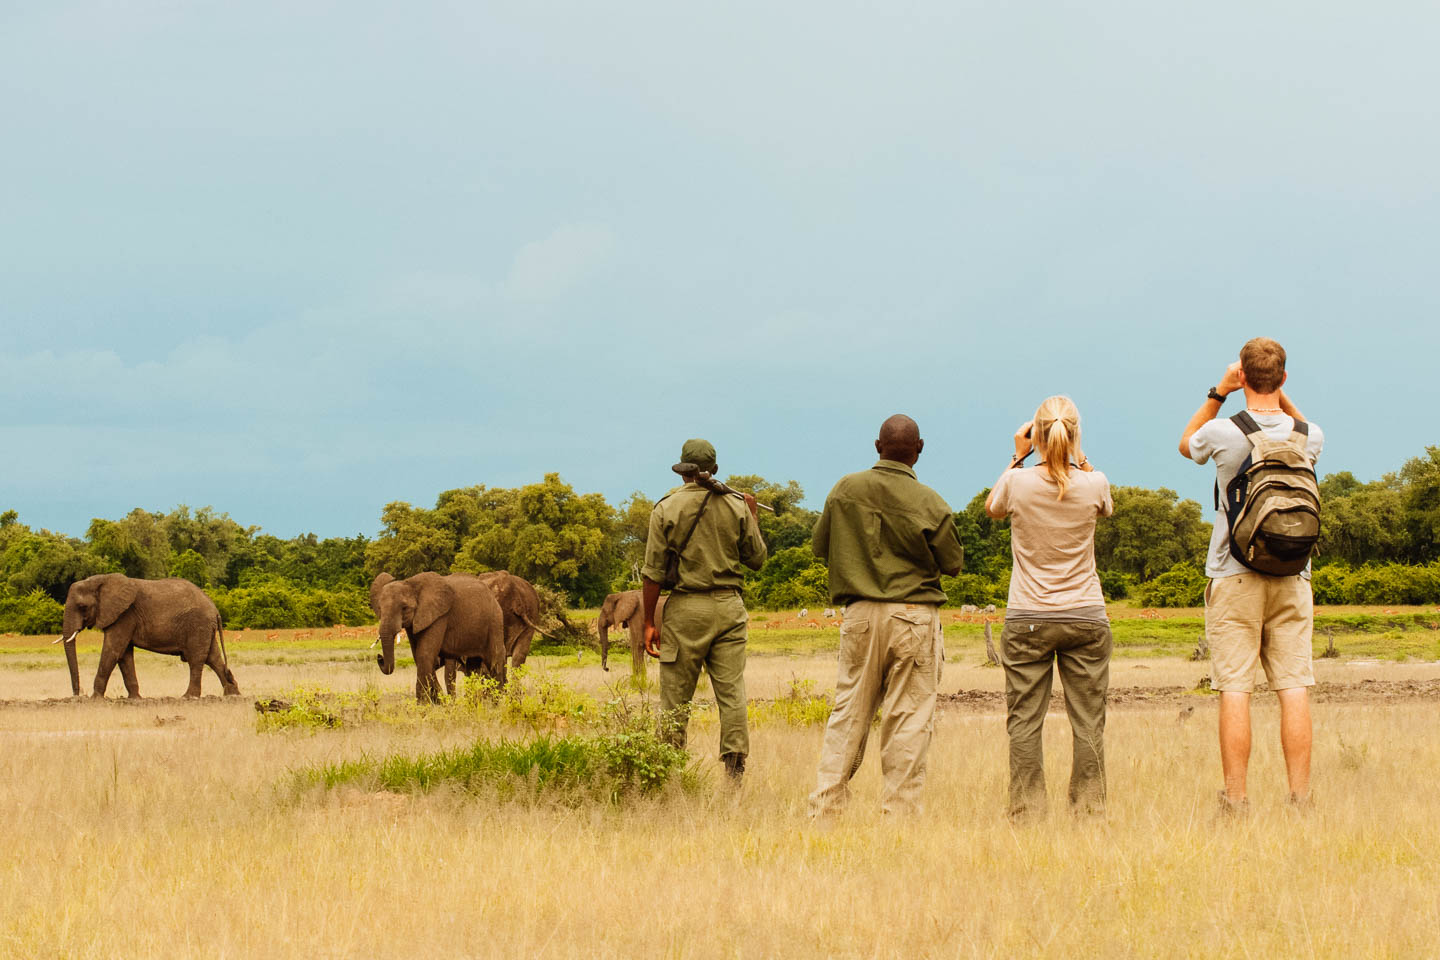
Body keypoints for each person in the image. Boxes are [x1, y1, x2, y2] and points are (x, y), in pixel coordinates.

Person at [1179, 337, 1323, 813]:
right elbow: (1299, 423)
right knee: (1293, 688)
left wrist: (1219, 393)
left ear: (1242, 376)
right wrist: (1277, 393)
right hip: (1292, 576)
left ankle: (1236, 800)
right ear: (1283, 379)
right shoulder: (1309, 436)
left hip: (1233, 572)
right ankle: (1299, 799)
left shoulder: (1222, 432)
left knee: (1235, 689)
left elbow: (1186, 445)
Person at [808, 415, 964, 817]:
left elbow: (819, 546)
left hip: (858, 613)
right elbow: (953, 563)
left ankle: (825, 811)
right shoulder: (931, 501)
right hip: (913, 615)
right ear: (920, 448)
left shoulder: (845, 488)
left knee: (848, 713)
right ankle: (899, 818)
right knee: (909, 720)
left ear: (877, 447)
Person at [985, 396, 1113, 820]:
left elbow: (992, 509)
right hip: (1086, 615)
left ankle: (1026, 812)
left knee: (1024, 720)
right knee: (1088, 721)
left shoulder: (1017, 483)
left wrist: (1017, 456)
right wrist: (1079, 456)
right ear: (1074, 435)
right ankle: (1089, 811)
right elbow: (1105, 506)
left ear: (1036, 434)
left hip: (1028, 617)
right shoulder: (1095, 484)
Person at [640, 439, 767, 781]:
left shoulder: (665, 507)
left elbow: (652, 573)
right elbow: (756, 559)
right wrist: (752, 516)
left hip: (685, 609)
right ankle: (734, 774)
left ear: (681, 468)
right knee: (732, 694)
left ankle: (667, 774)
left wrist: (649, 622)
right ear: (716, 468)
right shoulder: (737, 505)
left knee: (675, 698)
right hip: (729, 607)